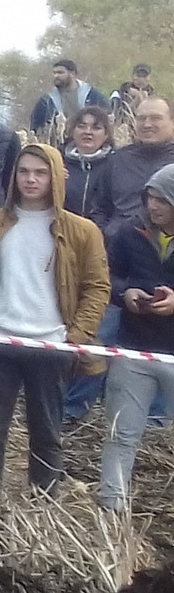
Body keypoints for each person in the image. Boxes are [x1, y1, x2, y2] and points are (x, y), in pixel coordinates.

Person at [0, 144, 108, 503]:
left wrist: (76, 334)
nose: (31, 179)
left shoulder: (83, 232)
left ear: (55, 176)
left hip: (51, 346)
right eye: (24, 172)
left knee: (47, 430)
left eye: (40, 173)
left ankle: (44, 503)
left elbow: (97, 286)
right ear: (14, 176)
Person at [101, 165, 174, 514]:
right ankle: (111, 510)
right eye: (151, 197)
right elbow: (107, 275)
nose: (155, 206)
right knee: (121, 434)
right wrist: (124, 292)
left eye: (164, 200)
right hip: (134, 348)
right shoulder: (129, 233)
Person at [63, 106, 121, 422]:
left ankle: (75, 408)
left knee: (94, 331)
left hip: (103, 255)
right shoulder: (56, 160)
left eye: (96, 127)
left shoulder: (116, 165)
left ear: (106, 133)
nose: (88, 132)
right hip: (60, 254)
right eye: (81, 125)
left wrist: (97, 234)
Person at [90, 94, 174, 240]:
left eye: (156, 118)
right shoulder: (116, 160)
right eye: (141, 118)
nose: (147, 124)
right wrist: (108, 235)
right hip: (121, 249)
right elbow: (99, 208)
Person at [28, 59, 102, 142]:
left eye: (60, 72)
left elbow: (106, 119)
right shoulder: (46, 101)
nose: (56, 76)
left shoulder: (92, 95)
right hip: (57, 145)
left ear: (72, 74)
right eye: (54, 73)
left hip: (88, 142)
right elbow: (35, 127)